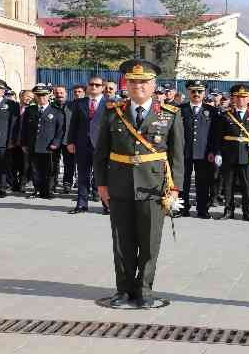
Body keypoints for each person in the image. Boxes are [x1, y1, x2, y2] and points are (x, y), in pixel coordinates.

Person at [94, 59, 184, 308]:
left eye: (143, 82)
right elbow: (101, 151)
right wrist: (101, 184)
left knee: (149, 240)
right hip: (119, 185)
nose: (138, 86)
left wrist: (174, 189)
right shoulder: (113, 112)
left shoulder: (170, 114)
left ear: (153, 85)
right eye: (133, 82)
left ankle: (144, 289)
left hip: (154, 187)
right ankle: (123, 290)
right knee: (122, 241)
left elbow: (177, 156)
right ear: (126, 84)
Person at [213, 84, 249, 221]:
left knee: (247, 186)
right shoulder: (225, 115)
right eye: (237, 97)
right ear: (233, 98)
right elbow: (218, 136)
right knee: (228, 186)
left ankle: (247, 212)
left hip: (246, 155)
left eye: (244, 97)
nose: (241, 99)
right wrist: (218, 153)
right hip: (229, 154)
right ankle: (228, 211)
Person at [67, 76, 110, 215]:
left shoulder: (110, 103)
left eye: (97, 85)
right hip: (82, 144)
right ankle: (81, 204)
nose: (94, 87)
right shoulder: (80, 103)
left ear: (103, 87)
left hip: (102, 145)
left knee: (103, 176)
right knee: (83, 175)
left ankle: (107, 204)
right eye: (91, 84)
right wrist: (71, 141)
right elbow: (73, 124)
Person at [178, 80, 217, 219]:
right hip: (184, 152)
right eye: (193, 91)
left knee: (202, 183)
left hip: (204, 153)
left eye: (199, 91)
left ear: (204, 93)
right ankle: (182, 209)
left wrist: (213, 151)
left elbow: (214, 133)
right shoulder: (180, 109)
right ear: (188, 92)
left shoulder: (211, 111)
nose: (196, 94)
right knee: (183, 182)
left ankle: (202, 210)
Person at [21, 84, 64, 199]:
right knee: (35, 169)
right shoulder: (30, 110)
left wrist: (56, 143)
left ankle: (48, 191)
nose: (41, 98)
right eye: (38, 95)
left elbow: (60, 130)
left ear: (48, 95)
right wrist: (24, 143)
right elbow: (24, 128)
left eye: (43, 95)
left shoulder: (56, 111)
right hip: (33, 144)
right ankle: (37, 190)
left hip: (49, 146)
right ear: (35, 96)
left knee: (49, 170)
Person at [52, 85, 75, 194]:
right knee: (53, 163)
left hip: (68, 140)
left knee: (69, 163)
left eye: (61, 93)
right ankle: (53, 183)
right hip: (53, 141)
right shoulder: (51, 106)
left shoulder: (72, 106)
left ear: (66, 94)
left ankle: (67, 183)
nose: (59, 95)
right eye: (57, 93)